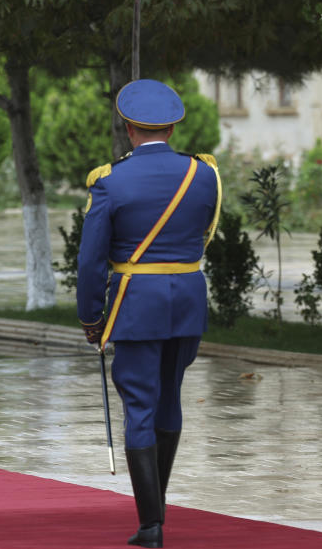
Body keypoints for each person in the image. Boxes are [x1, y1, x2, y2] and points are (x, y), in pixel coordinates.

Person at [76, 79, 221, 548]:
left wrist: (90, 316)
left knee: (139, 403)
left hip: (136, 303)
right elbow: (205, 235)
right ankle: (155, 514)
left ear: (127, 127)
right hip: (188, 300)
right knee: (170, 397)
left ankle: (151, 525)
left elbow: (91, 259)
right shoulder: (204, 175)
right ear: (173, 127)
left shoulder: (110, 181)